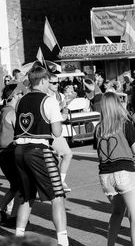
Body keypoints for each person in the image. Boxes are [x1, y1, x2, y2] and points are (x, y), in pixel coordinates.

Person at [13, 66, 69, 246]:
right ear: (43, 80)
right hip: (39, 151)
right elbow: (57, 132)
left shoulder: (20, 100)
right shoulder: (49, 100)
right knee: (57, 196)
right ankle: (63, 240)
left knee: (26, 196)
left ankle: (18, 237)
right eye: (49, 82)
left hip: (19, 151)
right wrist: (62, 116)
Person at [94, 92, 135, 246]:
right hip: (124, 171)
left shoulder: (98, 128)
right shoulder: (124, 123)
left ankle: (110, 244)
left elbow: (99, 150)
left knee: (116, 213)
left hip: (105, 176)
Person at [0, 84, 23, 227]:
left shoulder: (3, 110)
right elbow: (20, 134)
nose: (21, 96)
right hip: (8, 153)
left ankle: (2, 211)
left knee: (15, 186)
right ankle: (14, 218)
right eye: (20, 93)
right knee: (20, 186)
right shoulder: (12, 112)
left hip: (3, 154)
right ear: (13, 96)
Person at [47, 74, 73, 193]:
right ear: (46, 83)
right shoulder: (45, 97)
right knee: (67, 154)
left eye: (58, 83)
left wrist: (65, 108)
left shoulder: (59, 96)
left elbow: (61, 117)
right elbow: (47, 113)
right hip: (49, 131)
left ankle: (58, 180)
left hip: (57, 129)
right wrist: (60, 106)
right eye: (53, 83)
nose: (57, 85)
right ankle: (60, 182)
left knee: (56, 158)